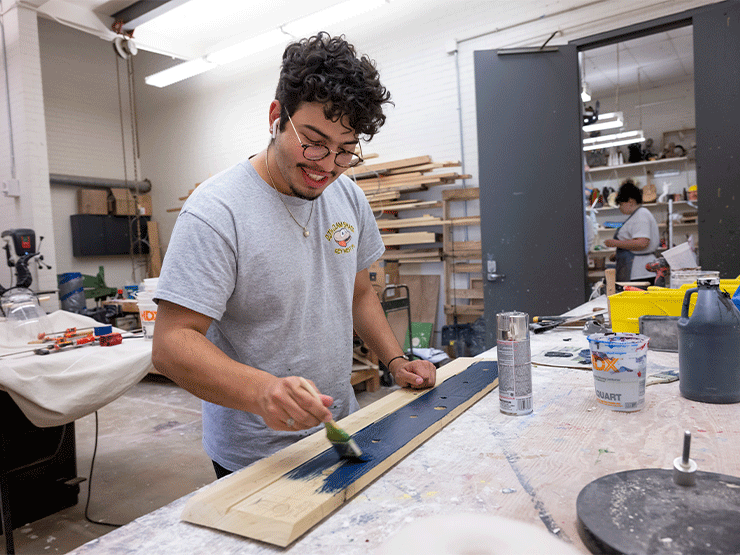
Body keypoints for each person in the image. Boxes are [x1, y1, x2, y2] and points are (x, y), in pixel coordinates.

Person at [151, 33, 436, 478]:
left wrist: (395, 361)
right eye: (314, 141)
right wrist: (262, 391)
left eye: (345, 150)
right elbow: (171, 345)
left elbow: (359, 293)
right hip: (254, 452)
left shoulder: (347, 196)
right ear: (276, 117)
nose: (326, 165)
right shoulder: (216, 211)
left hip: (340, 424)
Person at [604, 179, 660, 284]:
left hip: (641, 272)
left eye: (621, 204)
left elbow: (642, 243)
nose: (620, 208)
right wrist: (619, 254)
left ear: (630, 202)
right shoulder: (637, 215)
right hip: (636, 269)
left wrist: (615, 243)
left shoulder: (641, 215)